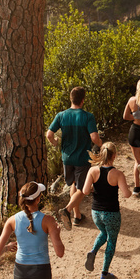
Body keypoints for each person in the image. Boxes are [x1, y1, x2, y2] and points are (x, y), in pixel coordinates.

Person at [66, 142, 133, 279]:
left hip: (96, 212)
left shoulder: (93, 171)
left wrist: (94, 188)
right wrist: (130, 190)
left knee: (103, 233)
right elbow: (126, 194)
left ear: (101, 153)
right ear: (114, 155)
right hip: (112, 213)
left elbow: (84, 191)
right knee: (112, 240)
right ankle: (104, 273)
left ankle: (94, 251)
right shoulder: (117, 174)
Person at [46, 86, 103, 225]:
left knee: (74, 184)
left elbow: (49, 134)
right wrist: (102, 146)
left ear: (71, 99)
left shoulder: (61, 115)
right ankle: (67, 209)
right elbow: (94, 137)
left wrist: (54, 142)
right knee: (84, 188)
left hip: (67, 158)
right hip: (82, 158)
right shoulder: (87, 116)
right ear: (82, 100)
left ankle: (77, 217)